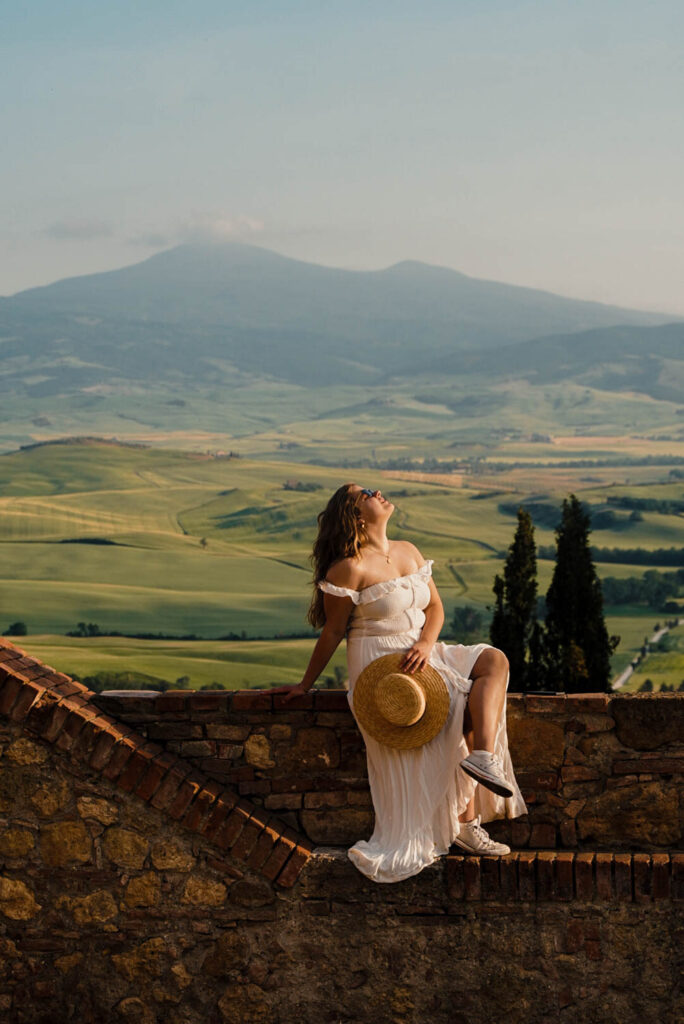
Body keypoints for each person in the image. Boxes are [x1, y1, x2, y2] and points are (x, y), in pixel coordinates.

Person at [267, 483, 527, 883]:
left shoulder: (408, 550)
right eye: (366, 493)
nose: (379, 492)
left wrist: (426, 642)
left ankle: (483, 759)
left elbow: (436, 607)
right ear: (356, 515)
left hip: (422, 649)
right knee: (455, 707)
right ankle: (465, 822)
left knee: (494, 660)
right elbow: (333, 632)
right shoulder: (348, 568)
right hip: (383, 664)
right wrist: (304, 685)